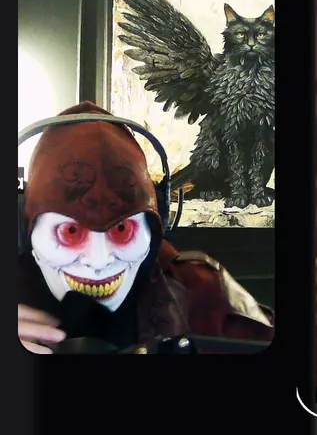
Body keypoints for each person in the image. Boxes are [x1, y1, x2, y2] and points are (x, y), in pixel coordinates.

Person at [17, 102, 274, 354]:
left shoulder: (203, 291)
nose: (99, 261)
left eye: (121, 230)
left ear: (154, 226)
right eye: (71, 232)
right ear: (26, 227)